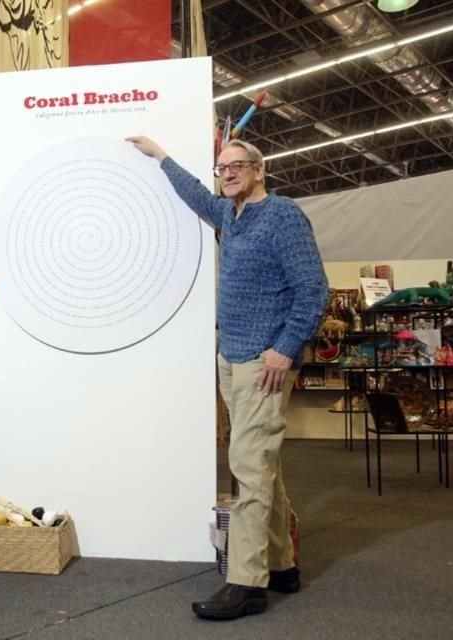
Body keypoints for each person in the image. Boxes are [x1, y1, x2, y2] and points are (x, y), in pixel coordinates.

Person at [126, 136, 328, 620]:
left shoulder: (283, 216)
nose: (228, 173)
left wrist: (285, 348)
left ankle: (247, 582)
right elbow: (196, 194)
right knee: (261, 465)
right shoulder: (230, 217)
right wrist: (160, 155)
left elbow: (313, 288)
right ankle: (280, 566)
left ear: (260, 170)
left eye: (237, 166)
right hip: (232, 358)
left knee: (247, 466)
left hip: (264, 361)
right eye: (222, 168)